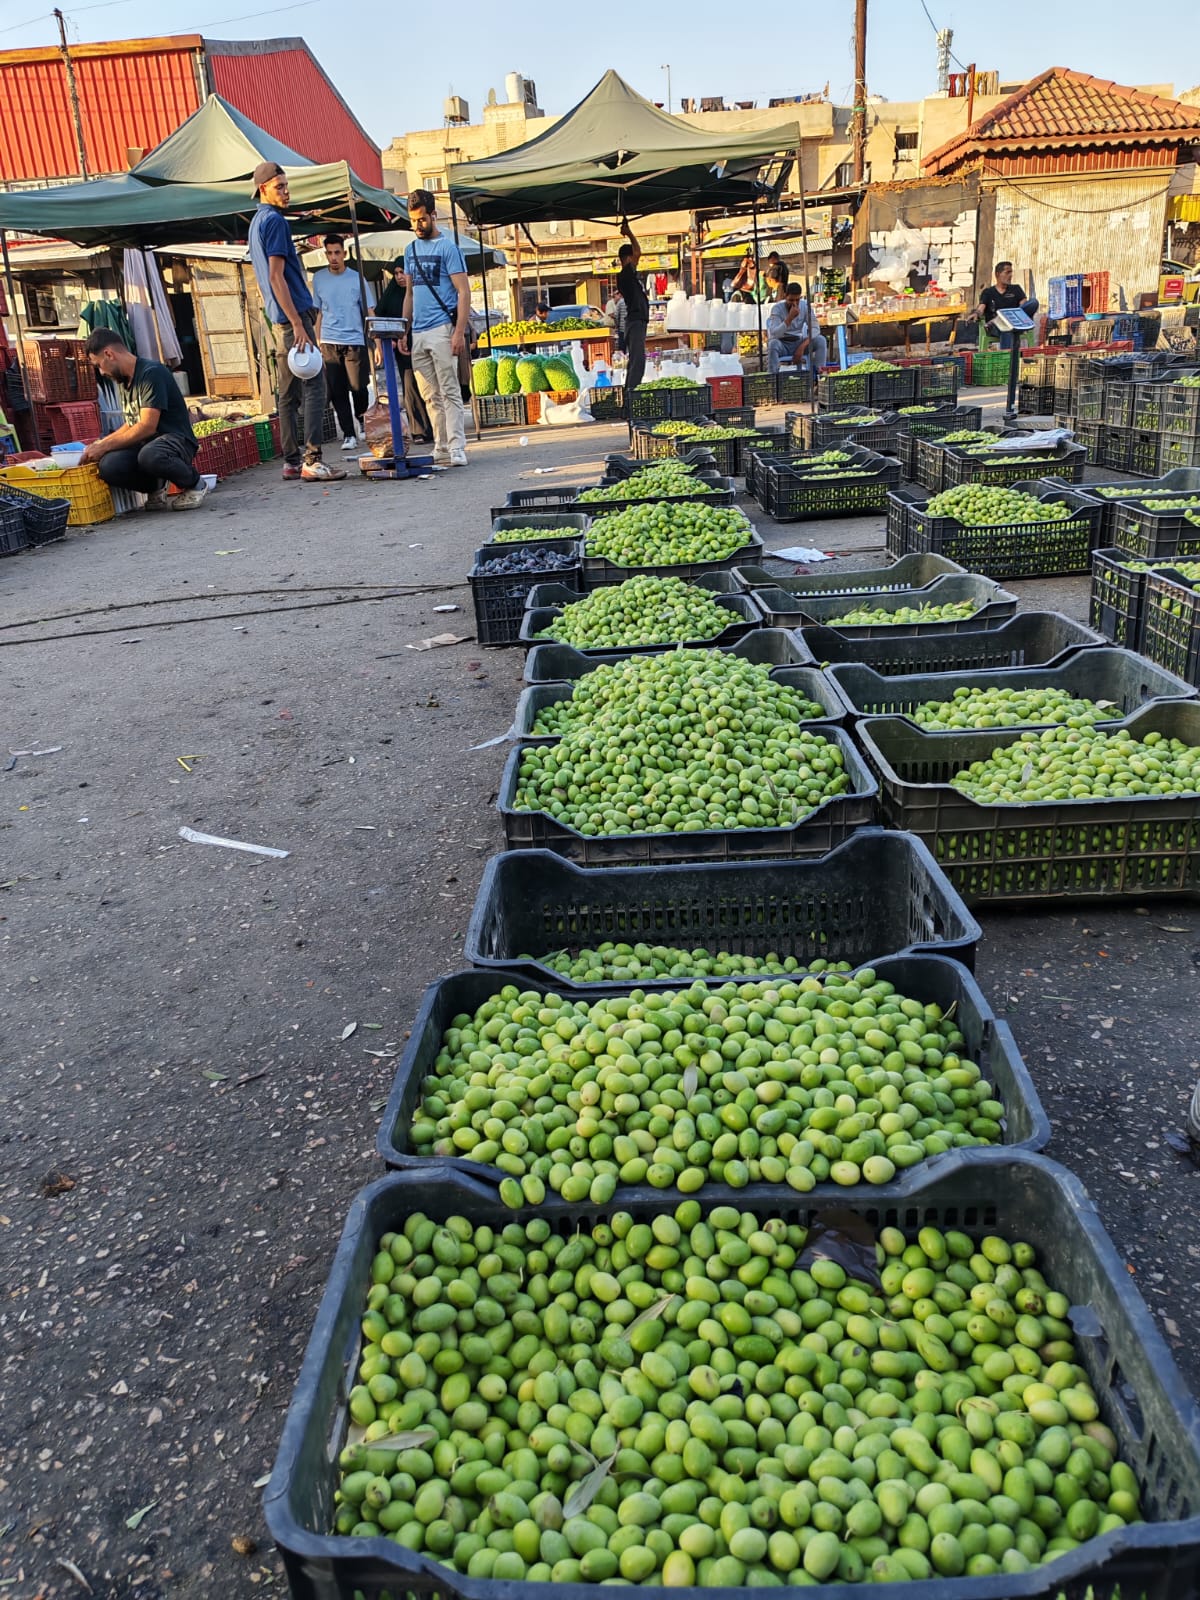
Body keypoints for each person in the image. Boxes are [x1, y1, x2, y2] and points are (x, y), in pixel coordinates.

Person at [247, 161, 344, 482]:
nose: (287, 193)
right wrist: (299, 322)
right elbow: (276, 277)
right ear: (264, 189)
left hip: (278, 320)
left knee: (286, 394)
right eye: (280, 187)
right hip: (292, 318)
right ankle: (312, 459)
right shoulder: (274, 221)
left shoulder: (256, 221)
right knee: (316, 385)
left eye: (287, 186)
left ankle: (290, 461)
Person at [80, 330, 207, 510]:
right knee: (108, 466)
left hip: (175, 441)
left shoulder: (151, 373)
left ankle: (195, 484)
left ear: (109, 354)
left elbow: (147, 426)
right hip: (147, 446)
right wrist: (100, 444)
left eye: (99, 365)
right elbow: (132, 423)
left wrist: (104, 446)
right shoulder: (124, 381)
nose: (101, 372)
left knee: (151, 454)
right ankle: (155, 486)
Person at [399, 188, 470, 468]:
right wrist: (404, 330)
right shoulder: (409, 250)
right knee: (430, 394)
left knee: (450, 389)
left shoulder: (448, 248)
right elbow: (410, 295)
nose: (417, 226)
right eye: (413, 220)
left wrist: (458, 332)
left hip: (442, 327)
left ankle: (456, 447)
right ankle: (440, 445)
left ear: (433, 215)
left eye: (422, 220)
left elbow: (463, 292)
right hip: (418, 331)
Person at [312, 233, 376, 453]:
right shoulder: (319, 278)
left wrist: (374, 342)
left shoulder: (357, 278)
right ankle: (348, 433)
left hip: (355, 339)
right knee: (337, 390)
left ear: (344, 253)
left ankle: (361, 421)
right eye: (329, 253)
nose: (333, 257)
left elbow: (369, 310)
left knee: (358, 387)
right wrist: (317, 342)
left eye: (337, 252)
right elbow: (318, 312)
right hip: (329, 341)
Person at [374, 259, 431, 444]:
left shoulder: (422, 292)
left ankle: (435, 427)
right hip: (401, 348)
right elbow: (379, 317)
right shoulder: (390, 294)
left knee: (430, 387)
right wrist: (383, 343)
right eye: (396, 273)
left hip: (423, 343)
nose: (399, 277)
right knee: (410, 387)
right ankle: (419, 430)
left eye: (402, 272)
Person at [967, 261, 1039, 350]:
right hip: (995, 327)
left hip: (1015, 323)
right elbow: (981, 308)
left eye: (1011, 272)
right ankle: (1006, 359)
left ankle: (1002, 318)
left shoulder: (1016, 289)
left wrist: (1010, 316)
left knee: (1033, 302)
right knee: (1006, 328)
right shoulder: (988, 292)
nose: (1010, 275)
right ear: (998, 274)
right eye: (1007, 272)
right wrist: (976, 313)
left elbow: (1023, 308)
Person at [616, 219, 649, 404]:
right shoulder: (626, 275)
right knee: (638, 362)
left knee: (636, 361)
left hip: (637, 322)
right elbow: (638, 251)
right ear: (627, 259)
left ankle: (630, 397)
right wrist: (629, 232)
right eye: (633, 259)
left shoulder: (628, 276)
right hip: (635, 322)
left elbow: (636, 253)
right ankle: (631, 399)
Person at [767, 282, 829, 374]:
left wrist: (802, 346)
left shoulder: (804, 306)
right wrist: (789, 318)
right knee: (772, 344)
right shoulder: (777, 309)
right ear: (785, 296)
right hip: (782, 344)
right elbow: (775, 333)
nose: (794, 304)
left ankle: (819, 375)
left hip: (799, 341)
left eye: (797, 300)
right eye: (791, 300)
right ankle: (773, 378)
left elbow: (815, 328)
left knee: (821, 340)